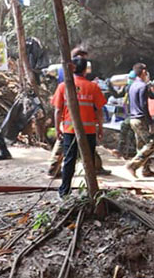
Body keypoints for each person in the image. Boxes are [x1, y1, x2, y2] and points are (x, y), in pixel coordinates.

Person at [51, 56, 106, 197]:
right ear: (85, 70)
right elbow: (99, 110)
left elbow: (57, 110)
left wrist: (57, 128)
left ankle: (64, 191)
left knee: (69, 161)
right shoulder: (93, 87)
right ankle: (91, 191)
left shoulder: (63, 87)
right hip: (89, 131)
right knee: (89, 161)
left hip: (70, 131)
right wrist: (100, 128)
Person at [125, 63, 154, 178]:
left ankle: (146, 169)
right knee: (151, 144)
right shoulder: (142, 86)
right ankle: (132, 165)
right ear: (144, 72)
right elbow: (144, 105)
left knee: (141, 145)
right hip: (140, 119)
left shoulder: (132, 86)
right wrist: (150, 122)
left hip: (132, 118)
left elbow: (129, 103)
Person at [116, 71, 138, 159]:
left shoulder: (137, 89)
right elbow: (118, 94)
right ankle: (123, 151)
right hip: (129, 115)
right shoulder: (127, 89)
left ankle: (126, 151)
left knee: (127, 130)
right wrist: (110, 86)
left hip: (135, 115)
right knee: (128, 132)